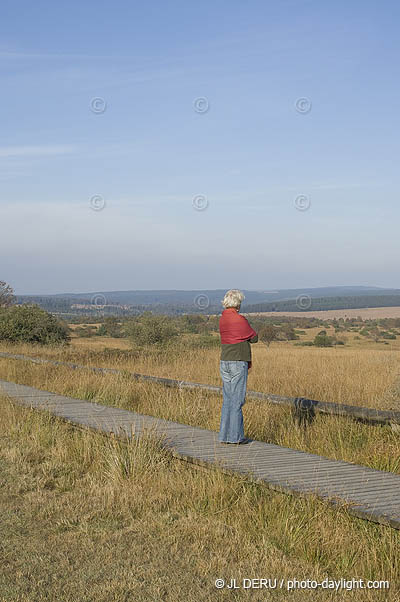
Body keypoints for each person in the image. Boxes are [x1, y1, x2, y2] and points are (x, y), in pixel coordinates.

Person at [218, 289, 258, 444]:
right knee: (237, 400)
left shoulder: (222, 319)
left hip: (225, 361)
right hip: (238, 361)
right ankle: (236, 437)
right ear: (237, 303)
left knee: (228, 399)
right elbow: (254, 338)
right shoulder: (240, 319)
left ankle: (224, 435)